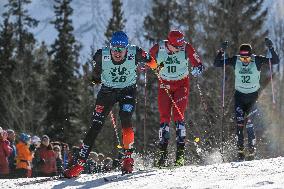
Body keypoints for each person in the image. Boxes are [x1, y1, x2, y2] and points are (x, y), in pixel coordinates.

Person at [64, 31, 157, 178]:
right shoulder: (101, 55)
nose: (117, 52)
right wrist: (95, 80)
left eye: (121, 49)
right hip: (107, 92)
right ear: (110, 47)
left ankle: (128, 158)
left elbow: (153, 62)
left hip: (128, 91)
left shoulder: (135, 52)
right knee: (95, 126)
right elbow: (95, 74)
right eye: (114, 48)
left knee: (126, 118)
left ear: (127, 48)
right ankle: (79, 164)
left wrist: (150, 65)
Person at [214, 38, 279, 161]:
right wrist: (221, 51)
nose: (244, 61)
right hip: (239, 97)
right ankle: (240, 152)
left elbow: (275, 61)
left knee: (249, 124)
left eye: (247, 58)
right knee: (239, 124)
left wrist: (271, 48)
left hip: (253, 98)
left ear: (251, 56)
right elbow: (217, 63)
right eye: (242, 58)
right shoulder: (235, 60)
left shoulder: (257, 60)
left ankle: (251, 151)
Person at [149, 30, 204, 167]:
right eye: (176, 47)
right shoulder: (158, 48)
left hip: (181, 85)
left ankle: (180, 156)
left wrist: (198, 68)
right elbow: (148, 60)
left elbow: (198, 63)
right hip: (164, 85)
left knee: (179, 116)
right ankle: (162, 156)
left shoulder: (186, 47)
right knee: (164, 118)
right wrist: (147, 66)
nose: (179, 49)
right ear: (169, 43)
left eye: (181, 46)